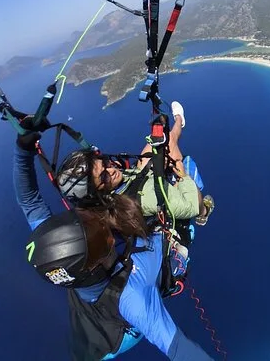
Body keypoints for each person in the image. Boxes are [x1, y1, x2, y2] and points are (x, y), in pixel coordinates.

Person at [13, 121, 213, 360]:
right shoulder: (131, 297)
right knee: (177, 220)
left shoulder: (61, 247)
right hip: (117, 336)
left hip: (87, 332)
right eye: (102, 242)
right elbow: (179, 348)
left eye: (88, 224)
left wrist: (22, 149)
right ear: (95, 266)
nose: (105, 231)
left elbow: (29, 201)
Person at [56, 101, 215, 226]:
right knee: (171, 145)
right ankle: (205, 213)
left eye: (105, 163)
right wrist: (183, 176)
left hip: (136, 179)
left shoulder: (108, 198)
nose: (112, 170)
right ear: (96, 193)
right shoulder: (146, 200)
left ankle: (178, 122)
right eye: (104, 177)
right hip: (144, 187)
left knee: (162, 139)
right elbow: (192, 206)